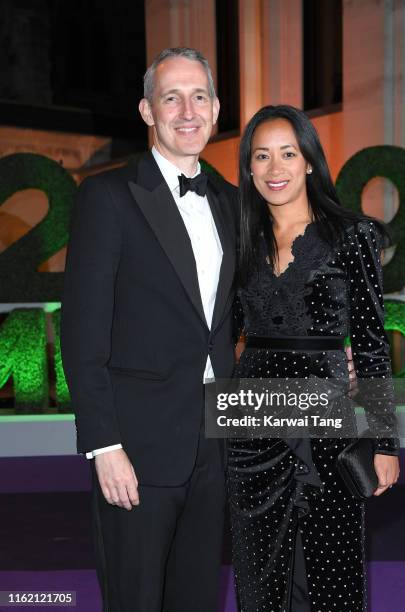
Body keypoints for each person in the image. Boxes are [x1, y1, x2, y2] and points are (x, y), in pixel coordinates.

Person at [60, 47, 238, 612]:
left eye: (200, 96)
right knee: (135, 599)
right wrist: (103, 445)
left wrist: (341, 362)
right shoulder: (107, 197)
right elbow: (82, 334)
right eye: (171, 97)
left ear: (216, 109)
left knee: (197, 598)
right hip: (135, 447)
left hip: (216, 440)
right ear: (147, 110)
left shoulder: (233, 203)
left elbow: (248, 315)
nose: (188, 110)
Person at [227, 105, 400, 612]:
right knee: (258, 574)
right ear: (249, 168)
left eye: (288, 153)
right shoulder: (240, 242)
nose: (275, 168)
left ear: (308, 162)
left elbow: (370, 343)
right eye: (262, 156)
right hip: (250, 426)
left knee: (332, 567)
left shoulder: (352, 237)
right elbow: (221, 334)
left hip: (326, 428)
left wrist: (385, 440)